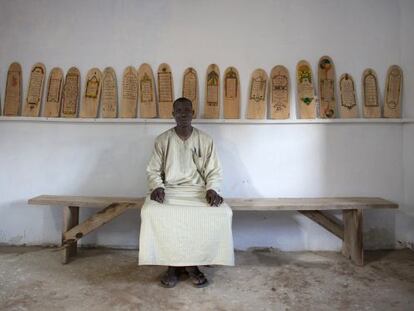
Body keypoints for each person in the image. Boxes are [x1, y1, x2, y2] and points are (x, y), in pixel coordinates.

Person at [138, 97, 234, 288]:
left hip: (197, 191)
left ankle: (193, 264)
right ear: (173, 114)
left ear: (193, 113)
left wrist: (212, 189)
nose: (183, 114)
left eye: (187, 110)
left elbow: (214, 170)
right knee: (150, 212)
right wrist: (157, 186)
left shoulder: (205, 139)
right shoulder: (163, 140)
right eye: (179, 111)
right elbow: (153, 170)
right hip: (170, 191)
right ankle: (173, 266)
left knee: (223, 212)